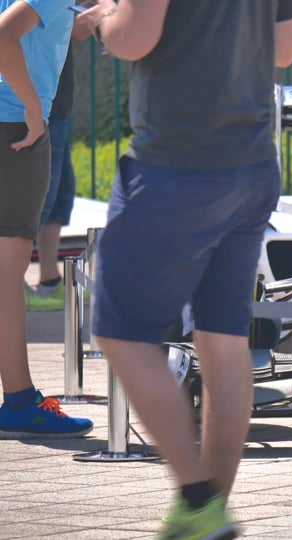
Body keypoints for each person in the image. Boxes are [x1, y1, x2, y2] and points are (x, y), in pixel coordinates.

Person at [77, 0, 292, 537]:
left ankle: (198, 501)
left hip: (175, 165)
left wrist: (103, 18)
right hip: (250, 164)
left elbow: (133, 39)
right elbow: (286, 50)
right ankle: (210, 513)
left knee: (121, 333)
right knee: (221, 337)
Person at [0, 1, 93, 438]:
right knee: (6, 272)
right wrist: (32, 106)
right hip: (14, 128)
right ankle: (19, 401)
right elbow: (3, 34)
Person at [24, 25, 92, 312]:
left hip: (55, 103)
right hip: (39, 103)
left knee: (61, 195)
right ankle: (13, 284)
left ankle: (50, 279)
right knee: (36, 200)